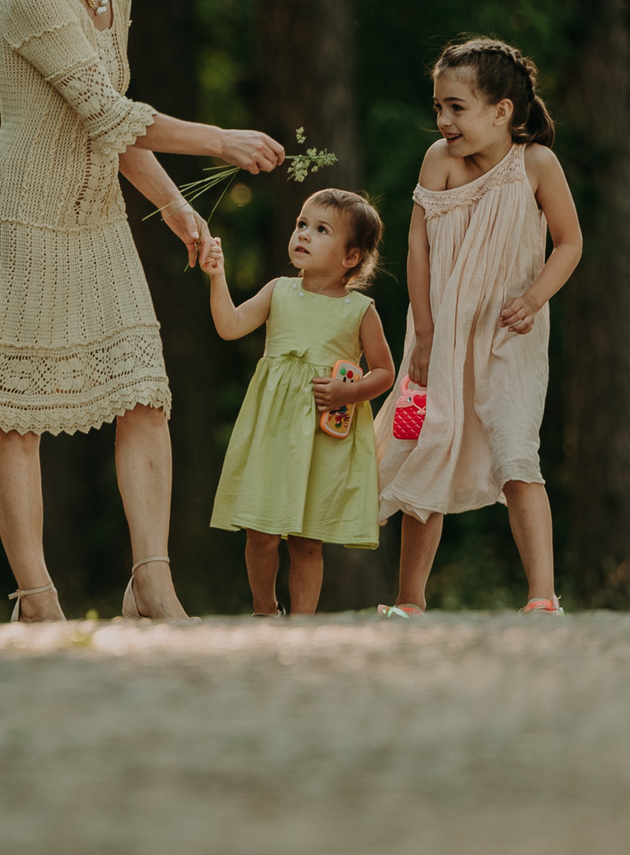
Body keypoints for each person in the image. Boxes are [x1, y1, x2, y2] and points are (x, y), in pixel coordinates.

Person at [0, 0, 284, 622]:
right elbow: (104, 110)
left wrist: (175, 211)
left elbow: (118, 127)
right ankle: (37, 600)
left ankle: (150, 583)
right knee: (15, 411)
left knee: (143, 393)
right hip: (20, 215)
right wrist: (218, 140)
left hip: (95, 217)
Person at [374, 38, 584, 615]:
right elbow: (418, 244)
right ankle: (409, 601)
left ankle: (542, 597)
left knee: (517, 449)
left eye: (456, 107)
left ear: (501, 111)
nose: (443, 120)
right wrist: (423, 332)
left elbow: (569, 243)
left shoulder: (536, 164)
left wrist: (536, 296)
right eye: (438, 106)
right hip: (436, 339)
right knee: (425, 442)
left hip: (508, 336)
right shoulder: (437, 163)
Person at [198, 189, 395, 617]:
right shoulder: (279, 291)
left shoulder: (359, 310)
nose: (303, 234)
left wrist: (348, 392)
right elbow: (230, 326)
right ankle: (265, 610)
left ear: (350, 257)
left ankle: (303, 624)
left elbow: (384, 372)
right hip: (273, 429)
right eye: (301, 224)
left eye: (321, 230)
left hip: (322, 435)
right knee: (260, 531)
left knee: (308, 538)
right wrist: (218, 277)